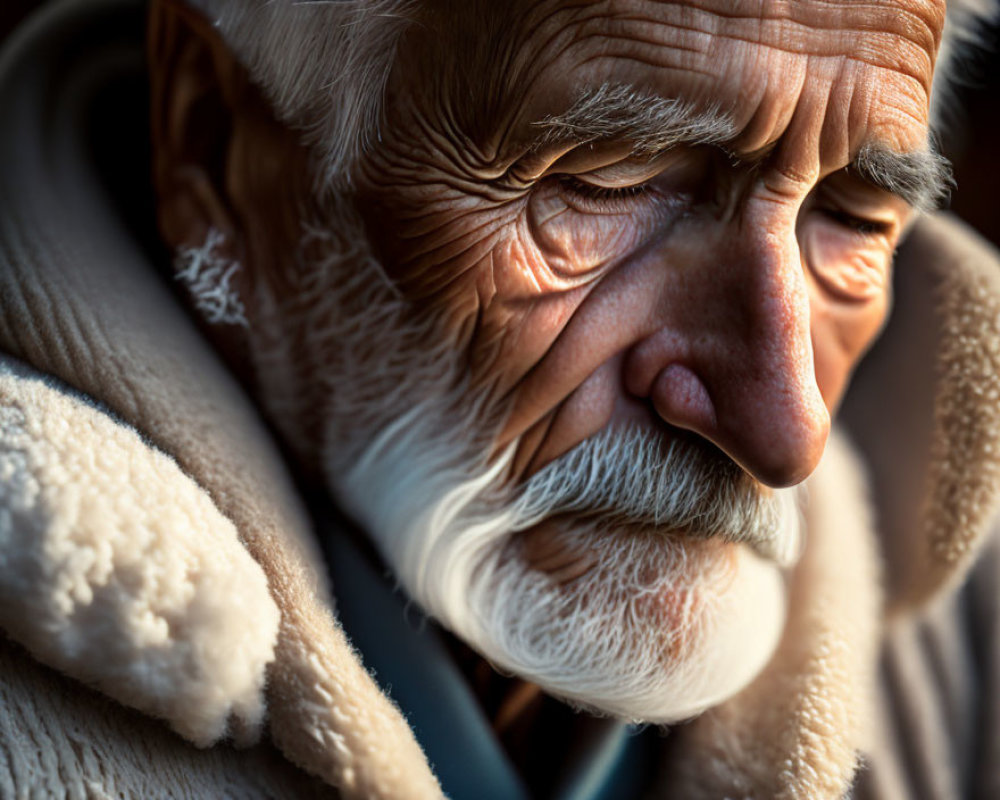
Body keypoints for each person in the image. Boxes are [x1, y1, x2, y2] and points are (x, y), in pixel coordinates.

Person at [1, 0, 999, 797]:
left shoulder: (963, 645)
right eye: (608, 180)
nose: (784, 429)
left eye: (852, 214)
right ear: (216, 140)